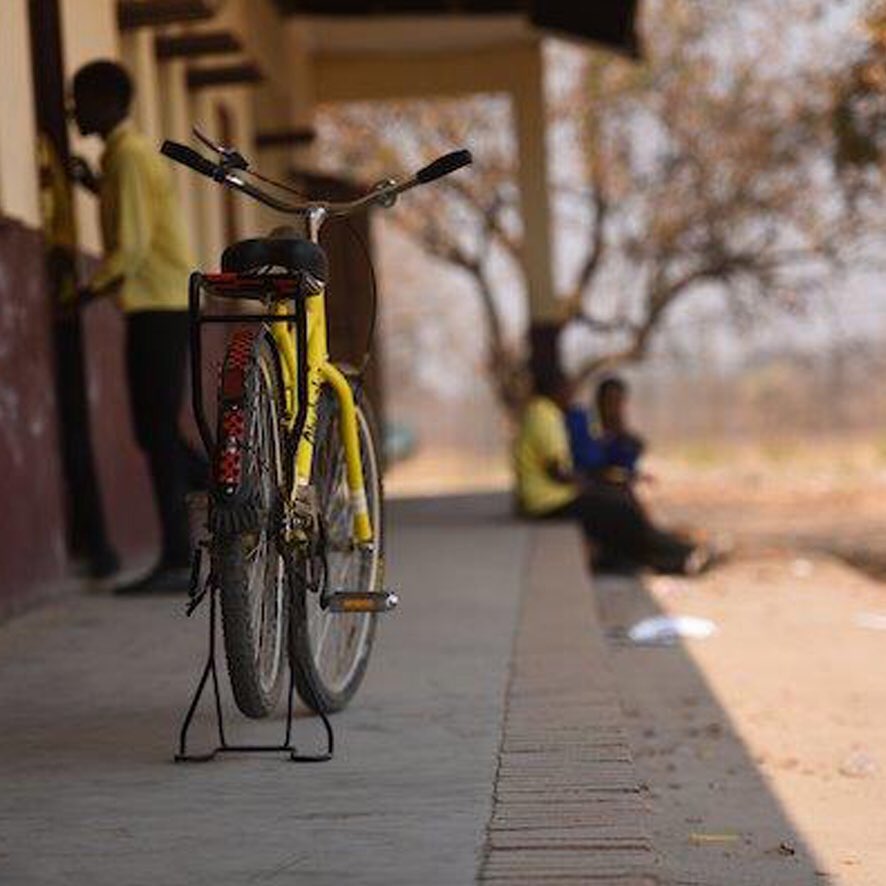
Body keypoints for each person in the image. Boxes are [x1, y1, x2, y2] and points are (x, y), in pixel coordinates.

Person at [69, 60, 205, 594]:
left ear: (106, 102)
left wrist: (82, 293)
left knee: (155, 432)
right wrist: (94, 187)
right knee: (158, 431)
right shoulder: (126, 158)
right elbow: (135, 219)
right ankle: (223, 496)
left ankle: (186, 544)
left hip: (158, 304)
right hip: (164, 302)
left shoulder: (127, 157)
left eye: (80, 99)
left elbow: (130, 248)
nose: (74, 111)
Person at [514, 367, 710, 576]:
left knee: (620, 509)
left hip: (554, 496)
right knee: (620, 511)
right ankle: (679, 556)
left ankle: (674, 555)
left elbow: (619, 458)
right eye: (568, 387)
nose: (571, 392)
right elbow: (559, 470)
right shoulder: (552, 416)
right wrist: (589, 484)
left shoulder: (545, 413)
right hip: (548, 502)